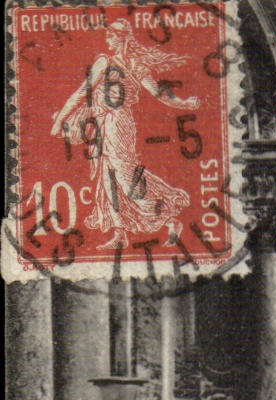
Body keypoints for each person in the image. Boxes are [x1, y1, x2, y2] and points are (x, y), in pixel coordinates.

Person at [50, 20, 201, 250]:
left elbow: (159, 93)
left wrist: (185, 103)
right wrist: (61, 119)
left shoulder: (132, 65)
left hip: (119, 123)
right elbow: (83, 92)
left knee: (124, 175)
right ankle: (120, 234)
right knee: (107, 177)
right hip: (102, 123)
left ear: (121, 38)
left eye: (111, 37)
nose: (107, 41)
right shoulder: (105, 62)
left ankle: (169, 218)